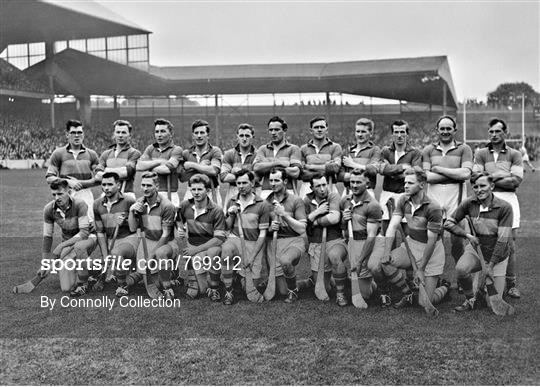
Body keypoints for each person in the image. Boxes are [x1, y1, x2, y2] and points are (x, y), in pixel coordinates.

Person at [378, 168, 450, 308]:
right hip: (411, 245)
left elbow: (431, 241)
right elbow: (392, 227)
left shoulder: (433, 207)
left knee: (425, 303)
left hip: (432, 252)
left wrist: (421, 269)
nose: (405, 186)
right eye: (405, 183)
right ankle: (408, 293)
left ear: (422, 185)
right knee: (385, 262)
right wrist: (387, 251)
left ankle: (444, 287)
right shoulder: (403, 200)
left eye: (410, 183)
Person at [445, 172, 513, 312]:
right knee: (461, 269)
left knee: (490, 304)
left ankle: (492, 286)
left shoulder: (505, 207)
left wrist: (490, 265)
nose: (479, 190)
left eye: (483, 186)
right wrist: (467, 235)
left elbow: (502, 241)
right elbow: (448, 223)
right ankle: (470, 299)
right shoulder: (469, 204)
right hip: (477, 250)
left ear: (492, 186)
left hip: (498, 256)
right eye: (475, 187)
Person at [472, 118, 523, 298]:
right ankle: (485, 282)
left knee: (509, 244)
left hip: (508, 199)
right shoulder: (480, 153)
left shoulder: (515, 154)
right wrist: (501, 175)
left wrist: (489, 177)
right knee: (485, 242)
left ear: (505, 133)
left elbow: (516, 180)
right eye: (491, 132)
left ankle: (511, 284)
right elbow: (476, 177)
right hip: (486, 200)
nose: (494, 135)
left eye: (497, 131)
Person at [422, 115, 472, 285]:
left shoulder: (464, 149)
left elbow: (466, 174)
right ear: (437, 130)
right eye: (442, 128)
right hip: (433, 200)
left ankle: (461, 278)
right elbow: (427, 177)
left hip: (456, 201)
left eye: (448, 128)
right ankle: (436, 280)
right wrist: (453, 173)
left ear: (454, 130)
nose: (445, 131)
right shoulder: (428, 150)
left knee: (457, 242)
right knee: (435, 242)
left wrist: (439, 169)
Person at [41, 178, 97, 297]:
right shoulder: (48, 209)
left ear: (69, 192)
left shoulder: (80, 204)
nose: (57, 198)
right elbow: (47, 237)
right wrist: (45, 263)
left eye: (60, 194)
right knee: (67, 287)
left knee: (78, 247)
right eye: (54, 194)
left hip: (88, 238)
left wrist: (61, 246)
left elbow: (84, 233)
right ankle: (88, 270)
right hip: (68, 243)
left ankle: (83, 283)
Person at [222, 169, 270, 304]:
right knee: (226, 250)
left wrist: (253, 256)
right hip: (235, 239)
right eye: (238, 183)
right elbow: (227, 227)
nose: (241, 186)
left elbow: (263, 234)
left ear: (252, 183)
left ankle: (237, 277)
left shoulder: (262, 204)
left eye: (244, 182)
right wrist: (231, 215)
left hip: (253, 243)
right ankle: (228, 291)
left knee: (249, 286)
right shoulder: (232, 201)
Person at [176, 174, 227, 300]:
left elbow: (219, 239)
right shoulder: (185, 205)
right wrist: (180, 228)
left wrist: (196, 250)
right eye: (193, 189)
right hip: (194, 246)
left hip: (210, 246)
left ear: (208, 190)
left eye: (200, 189)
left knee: (213, 252)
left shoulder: (216, 210)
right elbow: (178, 219)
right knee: (202, 290)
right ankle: (205, 282)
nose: (196, 193)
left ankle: (215, 287)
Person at [128, 172, 177, 299]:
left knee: (161, 282)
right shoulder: (139, 202)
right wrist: (132, 212)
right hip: (147, 241)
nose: (145, 188)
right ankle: (140, 274)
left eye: (149, 185)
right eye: (143, 185)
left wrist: (152, 254)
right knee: (154, 284)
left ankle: (171, 276)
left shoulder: (167, 206)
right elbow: (133, 227)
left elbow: (166, 234)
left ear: (156, 186)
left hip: (166, 243)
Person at [302, 174, 347, 305]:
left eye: (324, 185)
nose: (322, 189)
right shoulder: (306, 201)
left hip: (334, 240)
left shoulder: (333, 196)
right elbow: (303, 224)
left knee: (334, 256)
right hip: (316, 243)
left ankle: (340, 294)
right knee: (323, 290)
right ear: (311, 188)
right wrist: (317, 212)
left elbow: (334, 218)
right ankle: (332, 279)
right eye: (318, 186)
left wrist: (315, 222)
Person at [340, 169, 384, 306]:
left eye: (358, 182)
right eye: (352, 182)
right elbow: (343, 228)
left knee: (367, 292)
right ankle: (368, 280)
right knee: (363, 292)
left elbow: (371, 236)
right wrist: (344, 219)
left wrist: (360, 262)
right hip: (354, 242)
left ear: (367, 183)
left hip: (371, 243)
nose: (354, 185)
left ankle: (383, 287)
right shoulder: (345, 201)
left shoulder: (373, 205)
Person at [93, 172, 139, 296]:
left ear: (118, 185)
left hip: (128, 239)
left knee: (116, 254)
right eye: (103, 185)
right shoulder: (97, 204)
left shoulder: (129, 201)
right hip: (109, 240)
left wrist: (128, 218)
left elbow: (135, 227)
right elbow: (100, 232)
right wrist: (104, 255)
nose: (106, 188)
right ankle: (114, 275)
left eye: (110, 184)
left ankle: (122, 285)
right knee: (105, 259)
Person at [265, 168, 307, 302]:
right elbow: (261, 230)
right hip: (275, 243)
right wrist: (270, 229)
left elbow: (301, 228)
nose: (273, 183)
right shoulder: (265, 203)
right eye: (271, 180)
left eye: (276, 180)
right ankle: (305, 283)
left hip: (294, 241)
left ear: (285, 181)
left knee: (286, 261)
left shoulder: (296, 200)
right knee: (282, 290)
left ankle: (293, 291)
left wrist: (284, 215)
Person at [46, 119, 99, 222]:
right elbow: (49, 177)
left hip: (85, 194)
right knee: (69, 227)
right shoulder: (58, 153)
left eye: (79, 132)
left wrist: (80, 184)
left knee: (88, 226)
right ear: (67, 135)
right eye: (73, 133)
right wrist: (68, 182)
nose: (76, 135)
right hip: (66, 194)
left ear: (83, 134)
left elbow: (99, 179)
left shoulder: (92, 154)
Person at [378, 120, 422, 232]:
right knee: (387, 231)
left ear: (407, 134)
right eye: (396, 132)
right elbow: (382, 169)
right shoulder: (385, 151)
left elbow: (414, 174)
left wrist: (391, 171)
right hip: (387, 194)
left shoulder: (415, 152)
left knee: (408, 232)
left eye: (402, 132)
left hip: (406, 194)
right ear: (392, 134)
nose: (399, 135)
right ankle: (390, 250)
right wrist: (402, 167)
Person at [137, 118, 183, 207]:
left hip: (169, 193)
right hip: (151, 193)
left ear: (171, 134)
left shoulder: (176, 150)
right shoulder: (150, 148)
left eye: (162, 131)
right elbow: (138, 166)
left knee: (170, 220)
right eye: (157, 132)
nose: (159, 135)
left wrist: (148, 166)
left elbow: (166, 169)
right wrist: (160, 162)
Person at [253, 116, 302, 199]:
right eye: (271, 130)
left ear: (284, 130)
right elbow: (256, 168)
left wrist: (267, 163)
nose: (273, 133)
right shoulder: (263, 149)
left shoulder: (293, 148)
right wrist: (280, 163)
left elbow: (295, 172)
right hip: (266, 192)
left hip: (287, 191)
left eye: (276, 130)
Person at [94, 120, 141, 201]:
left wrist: (106, 170)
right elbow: (98, 176)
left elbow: (126, 172)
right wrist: (119, 170)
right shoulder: (106, 154)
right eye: (118, 132)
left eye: (123, 132)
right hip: (107, 193)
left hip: (126, 193)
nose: (120, 135)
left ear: (129, 135)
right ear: (114, 134)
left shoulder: (134, 153)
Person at [179, 119, 223, 206]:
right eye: (196, 133)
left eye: (202, 133)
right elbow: (182, 178)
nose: (199, 136)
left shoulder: (215, 151)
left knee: (214, 217)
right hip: (191, 191)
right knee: (189, 218)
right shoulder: (186, 153)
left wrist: (192, 165)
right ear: (193, 135)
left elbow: (213, 171)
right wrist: (201, 167)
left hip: (211, 191)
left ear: (208, 135)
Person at [298, 116, 342, 198]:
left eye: (322, 127)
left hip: (329, 185)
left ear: (327, 130)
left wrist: (310, 167)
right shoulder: (303, 148)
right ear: (311, 131)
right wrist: (327, 167)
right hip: (308, 187)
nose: (319, 129)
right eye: (316, 127)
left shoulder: (335, 147)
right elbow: (302, 173)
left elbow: (335, 168)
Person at [339, 117, 380, 198]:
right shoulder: (347, 151)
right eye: (358, 131)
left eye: (363, 132)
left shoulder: (375, 150)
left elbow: (373, 170)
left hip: (367, 192)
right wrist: (358, 178)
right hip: (348, 192)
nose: (360, 134)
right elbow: (339, 175)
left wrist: (352, 164)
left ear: (371, 134)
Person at [220, 123, 258, 208]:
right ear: (237, 137)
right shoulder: (229, 154)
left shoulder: (258, 154)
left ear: (253, 137)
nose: (244, 139)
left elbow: (258, 177)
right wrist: (248, 173)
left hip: (253, 194)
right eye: (241, 135)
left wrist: (236, 171)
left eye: (247, 136)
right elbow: (223, 177)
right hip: (233, 192)